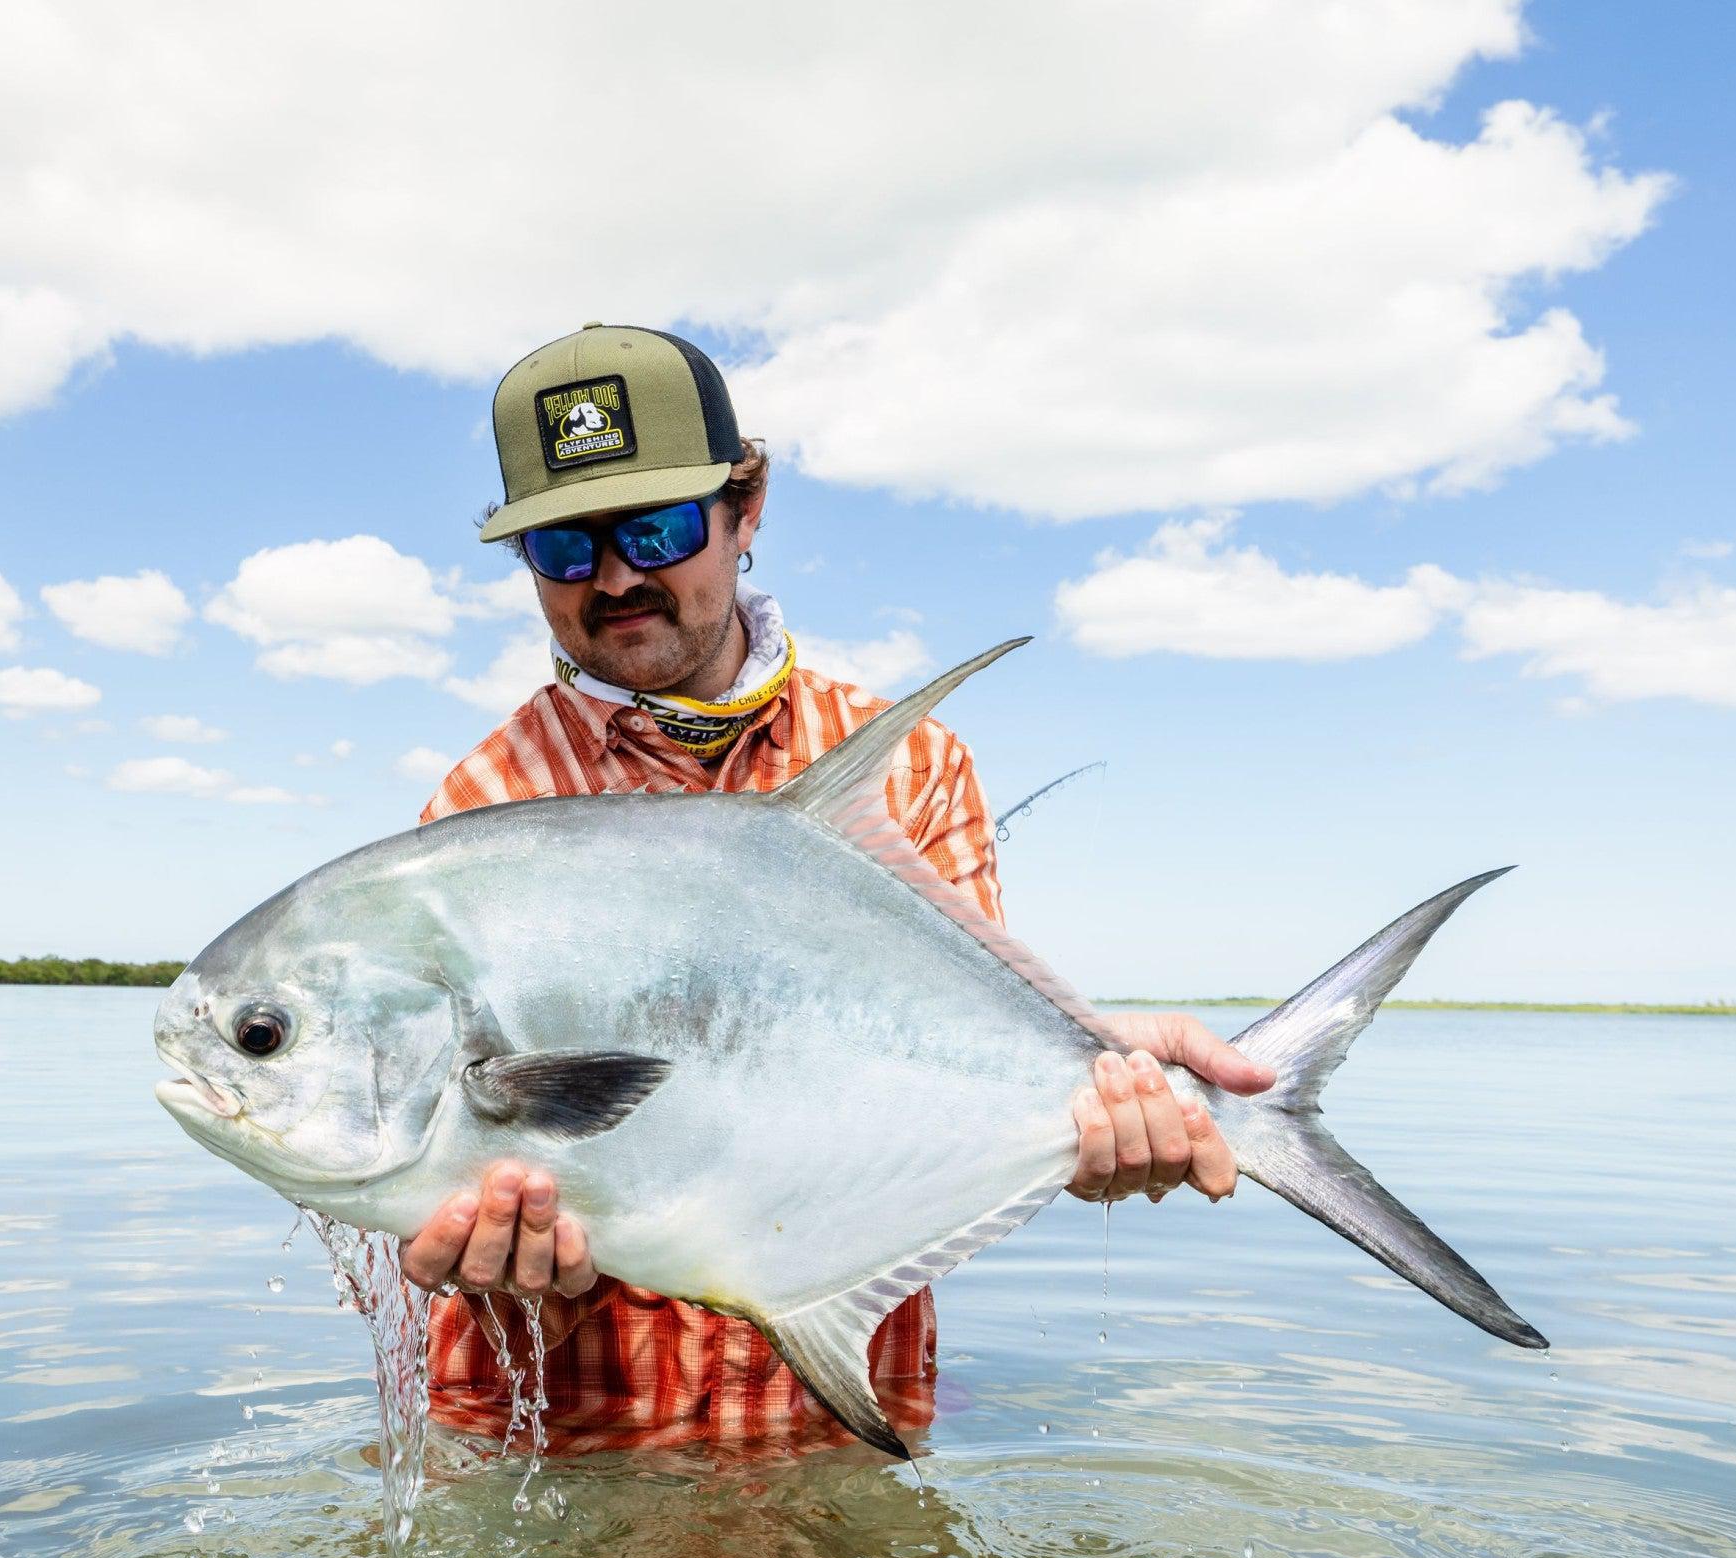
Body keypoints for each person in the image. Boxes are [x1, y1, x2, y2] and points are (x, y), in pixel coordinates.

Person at [401, 324, 1275, 1454]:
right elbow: (439, 1162)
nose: (615, 578)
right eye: (564, 549)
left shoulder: (908, 763)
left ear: (745, 508)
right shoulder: (480, 813)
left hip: (834, 1421)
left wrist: (1094, 1107)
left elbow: (937, 1077)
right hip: (556, 1444)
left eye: (656, 530)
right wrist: (493, 1269)